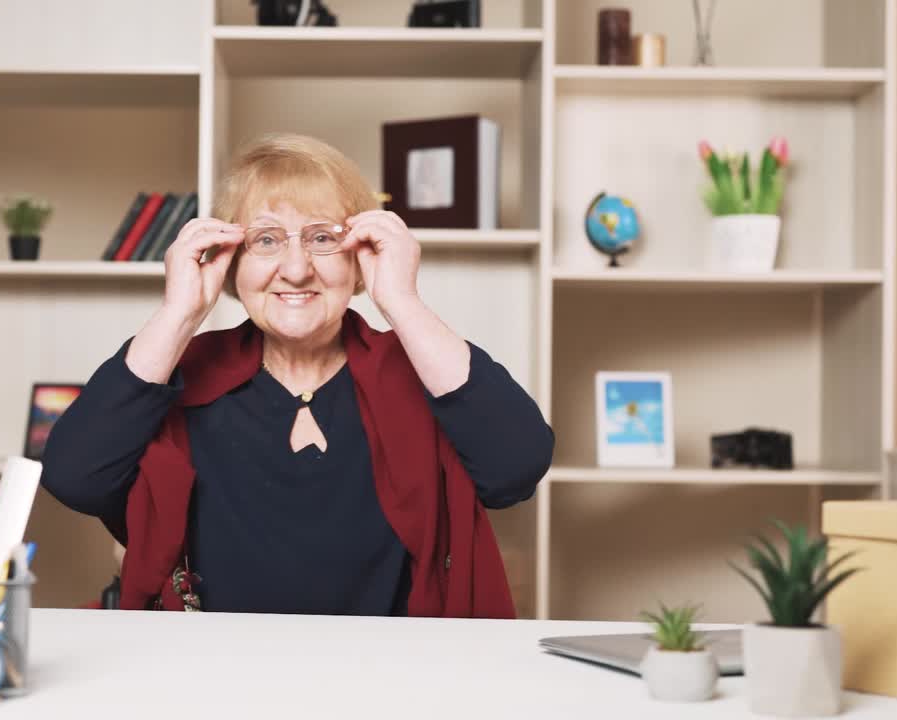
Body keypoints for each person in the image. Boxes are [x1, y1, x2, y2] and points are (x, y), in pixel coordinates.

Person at [41, 132, 554, 617]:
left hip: (393, 682)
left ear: (360, 258)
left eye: (322, 239)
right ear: (229, 263)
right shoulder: (184, 369)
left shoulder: (419, 367)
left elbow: (516, 467)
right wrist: (180, 311)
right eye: (265, 239)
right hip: (209, 679)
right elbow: (75, 478)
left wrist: (401, 299)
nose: (296, 268)